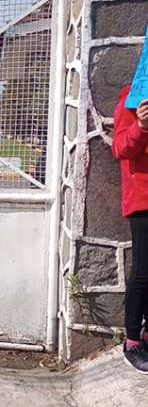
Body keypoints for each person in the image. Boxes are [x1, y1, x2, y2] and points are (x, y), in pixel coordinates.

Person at [112, 85, 148, 374]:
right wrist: (142, 125)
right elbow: (120, 147)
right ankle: (132, 341)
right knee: (143, 272)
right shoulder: (133, 96)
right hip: (143, 199)